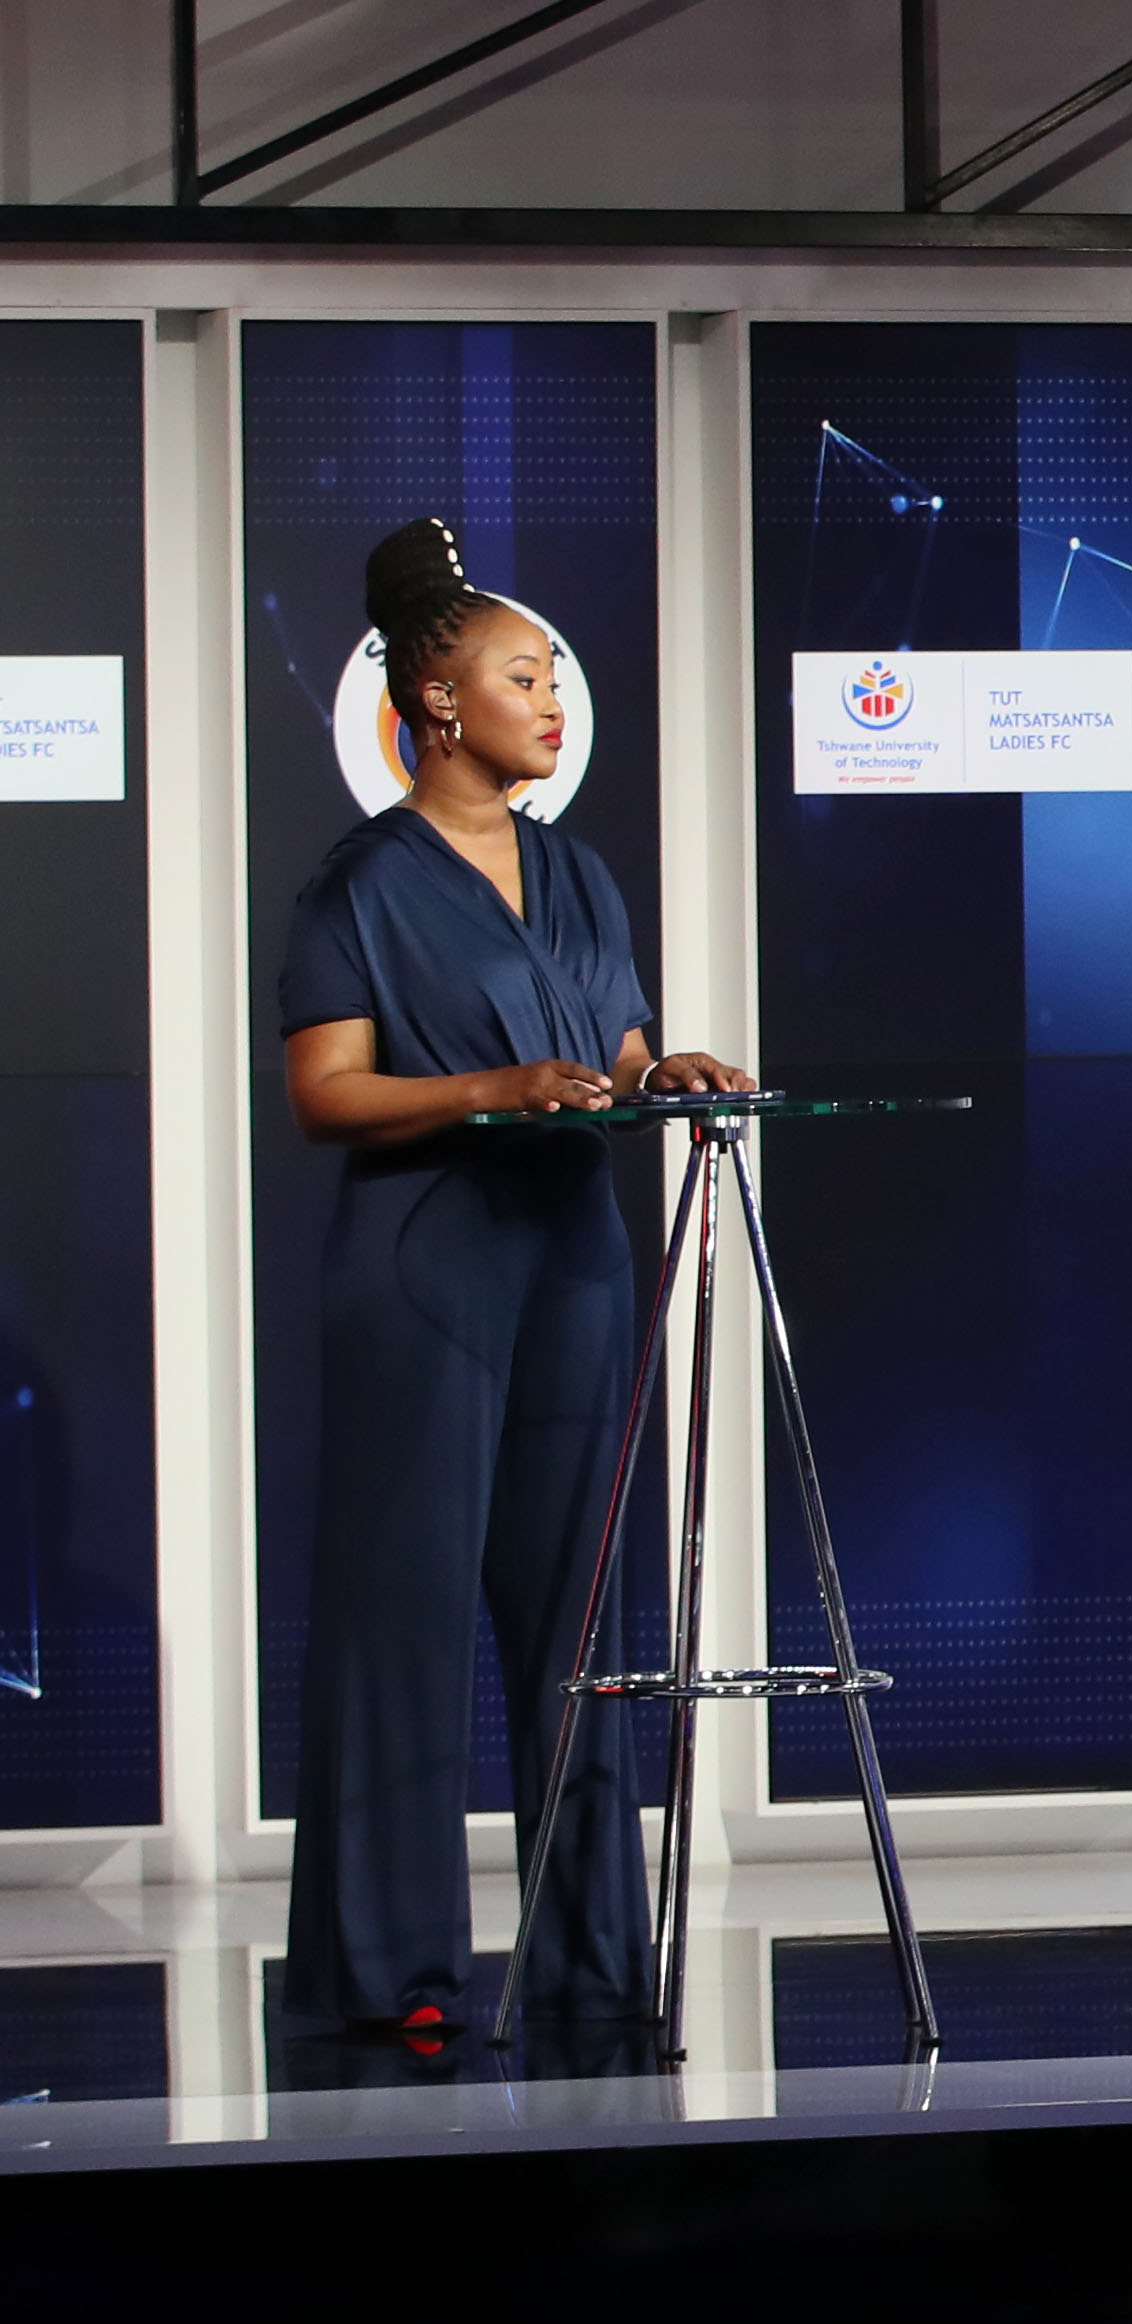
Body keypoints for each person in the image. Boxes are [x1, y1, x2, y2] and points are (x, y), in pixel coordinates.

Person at [275, 520, 755, 2044]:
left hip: (575, 1268)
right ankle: (391, 1976)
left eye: (552, 680)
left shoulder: (578, 872)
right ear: (438, 701)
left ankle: (588, 1960)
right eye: (522, 678)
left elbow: (615, 1048)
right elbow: (325, 1092)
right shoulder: (357, 884)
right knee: (404, 1625)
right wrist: (491, 1088)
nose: (551, 703)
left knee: (582, 1630)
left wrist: (661, 1072)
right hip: (424, 1273)